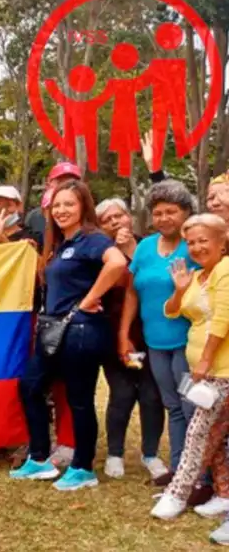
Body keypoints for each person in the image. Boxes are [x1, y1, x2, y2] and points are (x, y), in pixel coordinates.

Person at [12, 180, 127, 491]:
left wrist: (90, 298)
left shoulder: (92, 239)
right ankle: (39, 458)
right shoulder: (62, 244)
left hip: (81, 332)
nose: (62, 210)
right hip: (54, 331)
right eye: (57, 205)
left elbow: (117, 262)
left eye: (69, 204)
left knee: (80, 400)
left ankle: (83, 467)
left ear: (83, 207)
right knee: (30, 387)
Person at [121, 180, 199, 489]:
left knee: (191, 407)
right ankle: (179, 469)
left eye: (171, 211)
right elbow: (132, 292)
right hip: (155, 342)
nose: (164, 218)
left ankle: (199, 476)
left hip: (187, 342)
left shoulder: (194, 246)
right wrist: (123, 332)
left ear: (186, 212)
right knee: (173, 406)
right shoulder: (144, 247)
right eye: (158, 212)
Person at [152, 214, 229, 523]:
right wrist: (181, 289)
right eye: (191, 242)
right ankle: (224, 494)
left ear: (222, 242)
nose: (196, 247)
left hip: (221, 370)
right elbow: (170, 312)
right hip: (202, 371)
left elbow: (223, 318)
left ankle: (177, 493)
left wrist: (206, 359)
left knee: (198, 433)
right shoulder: (197, 276)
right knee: (216, 436)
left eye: (203, 240)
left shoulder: (225, 270)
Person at [93, 197, 166, 481]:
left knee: (151, 395)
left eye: (119, 215)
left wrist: (130, 250)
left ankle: (150, 453)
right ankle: (115, 453)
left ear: (129, 216)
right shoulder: (100, 252)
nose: (115, 222)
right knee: (122, 394)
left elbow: (151, 281)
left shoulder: (150, 246)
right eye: (107, 220)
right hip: (114, 334)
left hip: (152, 334)